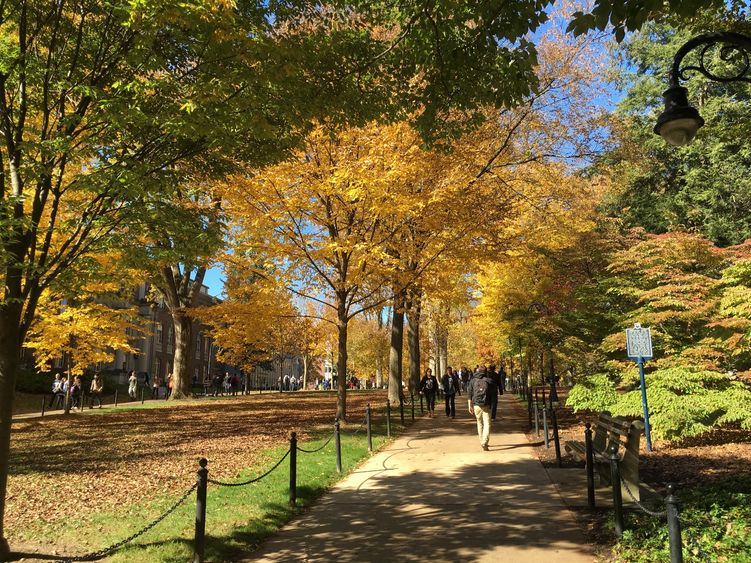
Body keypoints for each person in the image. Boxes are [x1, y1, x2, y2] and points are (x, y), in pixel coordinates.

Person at [467, 366, 496, 451]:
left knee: (479, 423)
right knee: (487, 424)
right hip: (486, 405)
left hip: (476, 405)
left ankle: (481, 441)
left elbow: (469, 393)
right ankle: (484, 442)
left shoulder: (473, 380)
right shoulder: (488, 381)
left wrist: (470, 405)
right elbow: (493, 393)